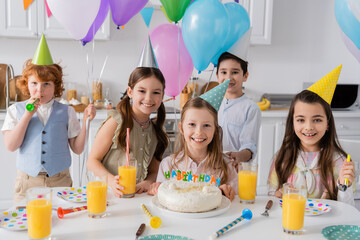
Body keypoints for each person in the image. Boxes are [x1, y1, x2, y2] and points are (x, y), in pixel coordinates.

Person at [1, 35, 96, 203]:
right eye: (34, 83)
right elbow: (11, 145)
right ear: (26, 85)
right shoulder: (15, 110)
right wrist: (27, 116)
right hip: (27, 182)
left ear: (56, 86)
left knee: (62, 224)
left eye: (47, 84)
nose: (40, 90)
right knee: (29, 225)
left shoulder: (67, 111)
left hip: (60, 180)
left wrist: (87, 121)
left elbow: (77, 149)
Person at [268, 65, 355, 205]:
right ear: (292, 122)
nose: (309, 127)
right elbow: (271, 201)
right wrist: (280, 194)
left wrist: (344, 186)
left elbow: (347, 209)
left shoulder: (339, 162)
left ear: (328, 123)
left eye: (317, 120)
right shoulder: (282, 158)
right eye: (301, 120)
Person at [149, 82, 238, 201]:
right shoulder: (168, 165)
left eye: (206, 125)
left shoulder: (227, 166)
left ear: (215, 130)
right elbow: (162, 199)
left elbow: (235, 201)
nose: (199, 132)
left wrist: (227, 192)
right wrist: (156, 189)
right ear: (181, 128)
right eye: (192, 124)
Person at [87, 67, 168, 198]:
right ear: (130, 92)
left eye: (156, 92)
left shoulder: (155, 131)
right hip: (107, 195)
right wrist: (112, 181)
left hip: (137, 197)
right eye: (142, 91)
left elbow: (154, 170)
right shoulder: (116, 122)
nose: (148, 98)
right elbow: (92, 161)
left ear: (162, 96)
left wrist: (148, 182)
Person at [216, 52, 261, 168]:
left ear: (245, 76)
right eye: (224, 72)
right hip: (210, 167)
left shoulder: (251, 109)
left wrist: (239, 156)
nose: (228, 78)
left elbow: (250, 146)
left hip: (234, 168)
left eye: (235, 72)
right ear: (217, 76)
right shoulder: (211, 104)